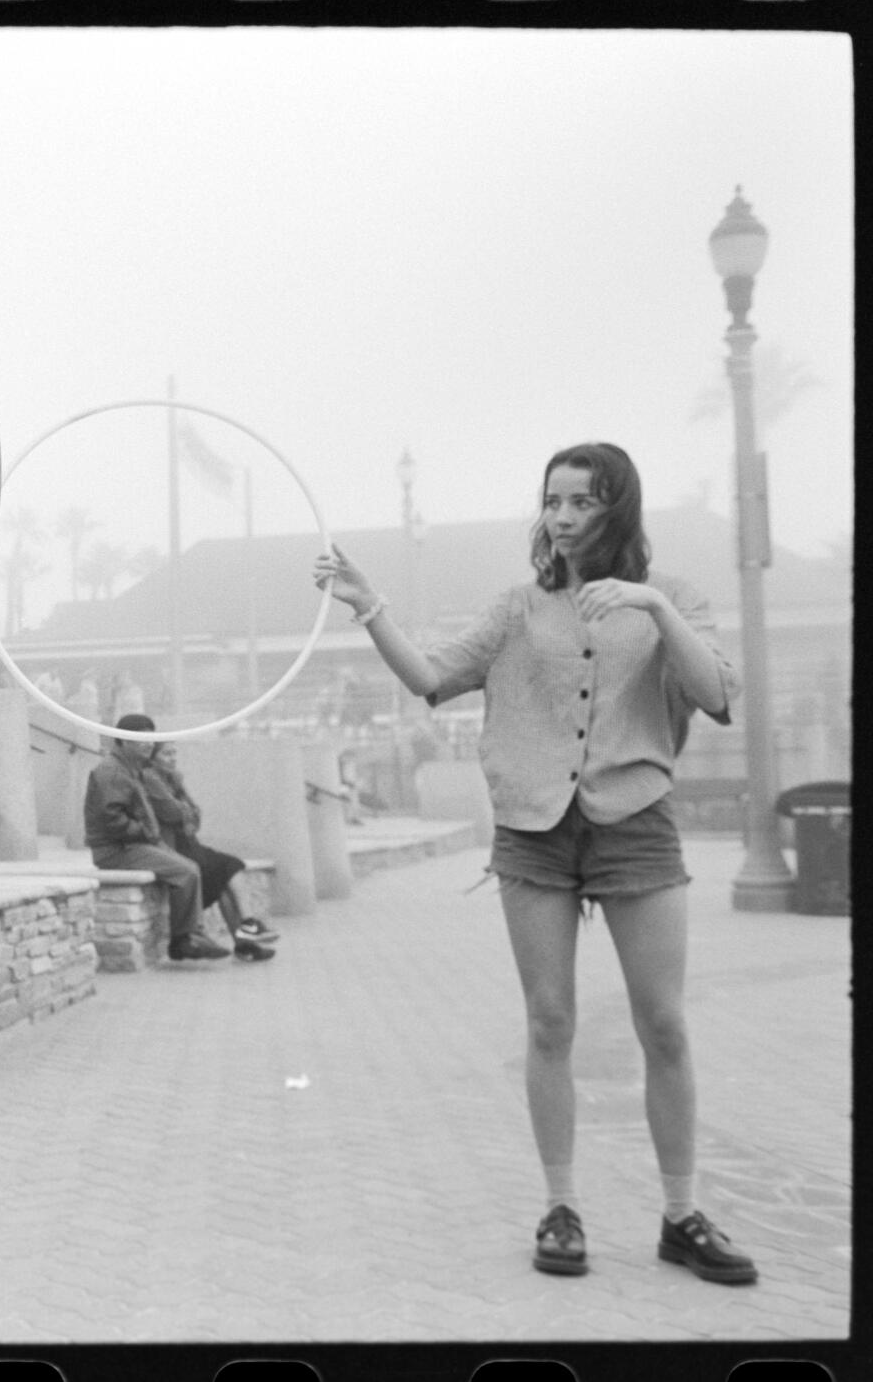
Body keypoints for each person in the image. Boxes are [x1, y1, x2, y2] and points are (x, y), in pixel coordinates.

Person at [312, 440, 756, 1285]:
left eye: (580, 501)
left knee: (662, 1023)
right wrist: (370, 607)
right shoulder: (517, 608)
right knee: (549, 1021)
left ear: (615, 509)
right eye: (551, 500)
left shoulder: (674, 600)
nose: (560, 516)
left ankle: (680, 1213)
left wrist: (654, 609)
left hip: (635, 825)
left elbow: (717, 691)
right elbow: (432, 677)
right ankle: (561, 1208)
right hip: (534, 830)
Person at [82, 714, 275, 962]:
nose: (150, 744)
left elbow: (190, 812)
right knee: (187, 871)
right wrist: (146, 832)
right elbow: (112, 820)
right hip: (117, 850)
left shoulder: (131, 770)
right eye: (142, 739)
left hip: (133, 844)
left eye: (152, 739)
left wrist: (148, 833)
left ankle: (197, 935)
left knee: (198, 869)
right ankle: (184, 940)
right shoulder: (111, 771)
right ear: (123, 741)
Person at [145, 740, 278, 945]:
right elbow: (171, 812)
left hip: (189, 842)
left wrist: (185, 813)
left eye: (174, 753)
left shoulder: (174, 780)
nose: (173, 758)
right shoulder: (150, 779)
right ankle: (246, 937)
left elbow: (194, 813)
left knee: (229, 868)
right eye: (166, 754)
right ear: (152, 758)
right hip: (172, 846)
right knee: (223, 874)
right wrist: (185, 812)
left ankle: (247, 929)